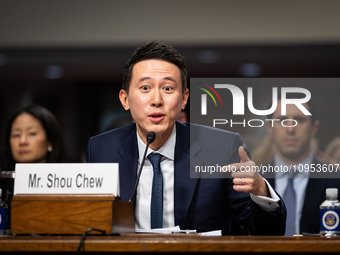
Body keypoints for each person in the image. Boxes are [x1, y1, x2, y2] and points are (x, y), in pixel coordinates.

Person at [86, 41, 286, 235]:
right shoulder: (102, 149)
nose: (157, 101)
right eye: (145, 88)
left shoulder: (222, 148)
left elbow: (267, 231)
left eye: (167, 88)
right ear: (125, 99)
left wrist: (261, 192)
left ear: (184, 99)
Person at [264, 96, 340, 235]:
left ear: (314, 127)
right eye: (282, 120)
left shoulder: (335, 180)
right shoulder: (254, 182)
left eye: (299, 119)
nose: (290, 129)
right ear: (270, 126)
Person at [0, 104, 68, 171]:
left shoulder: (67, 178)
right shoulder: (3, 179)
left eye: (32, 133)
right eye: (16, 135)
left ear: (50, 140)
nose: (22, 141)